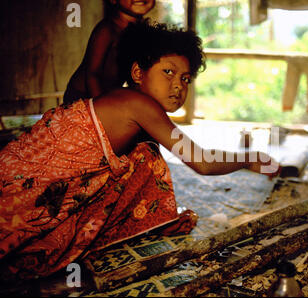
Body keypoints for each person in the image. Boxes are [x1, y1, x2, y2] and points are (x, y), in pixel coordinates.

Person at [0, 20, 280, 283]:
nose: (178, 86)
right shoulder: (137, 104)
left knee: (145, 156)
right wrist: (249, 159)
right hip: (20, 180)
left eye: (185, 78)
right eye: (168, 72)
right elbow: (201, 162)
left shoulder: (135, 107)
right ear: (137, 73)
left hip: (24, 171)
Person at [63, 0, 155, 104]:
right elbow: (92, 74)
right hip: (82, 96)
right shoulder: (107, 30)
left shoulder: (142, 32)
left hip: (108, 94)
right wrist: (103, 106)